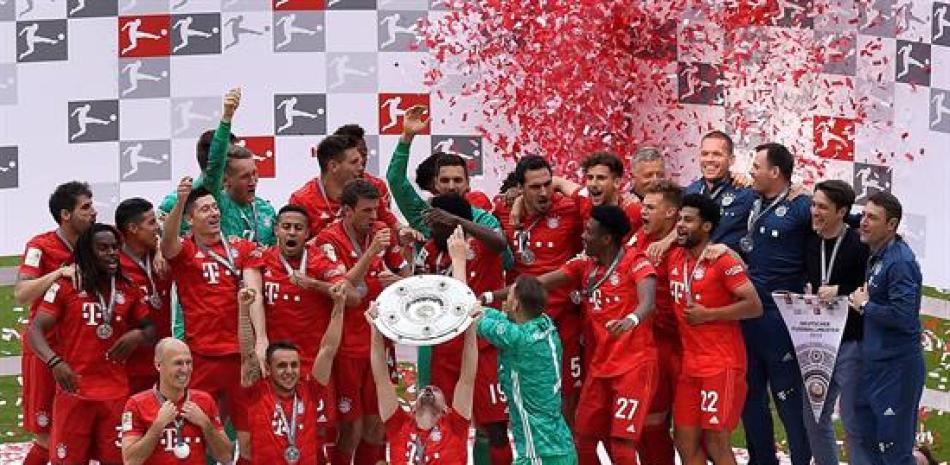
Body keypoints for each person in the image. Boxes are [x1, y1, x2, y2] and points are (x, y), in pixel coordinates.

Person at [496, 205, 657, 464]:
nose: (583, 237)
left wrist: (631, 319)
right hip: (599, 367)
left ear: (606, 239)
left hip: (633, 366)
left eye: (589, 232)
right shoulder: (585, 264)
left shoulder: (636, 261)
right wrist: (490, 296)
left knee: (622, 446)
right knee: (582, 439)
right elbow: (536, 284)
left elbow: (648, 301)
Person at [27, 223, 156, 465]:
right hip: (75, 392)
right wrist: (54, 361)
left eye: (115, 247)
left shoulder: (128, 288)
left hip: (115, 394)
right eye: (103, 248)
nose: (112, 253)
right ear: (87, 252)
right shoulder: (66, 286)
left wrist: (138, 335)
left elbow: (150, 329)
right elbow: (34, 330)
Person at [160, 178, 265, 448]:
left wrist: (261, 341)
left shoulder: (240, 247)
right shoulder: (185, 251)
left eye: (215, 207)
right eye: (205, 209)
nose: (214, 213)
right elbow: (167, 244)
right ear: (190, 220)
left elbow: (255, 293)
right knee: (195, 432)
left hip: (241, 356)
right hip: (201, 357)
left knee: (250, 434)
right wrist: (181, 201)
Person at [310, 179, 405, 465]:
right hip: (348, 348)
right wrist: (370, 254)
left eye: (376, 210)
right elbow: (345, 291)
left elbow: (402, 277)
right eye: (366, 211)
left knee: (378, 424)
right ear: (347, 212)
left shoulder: (380, 232)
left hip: (381, 342)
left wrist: (399, 273)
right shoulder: (327, 241)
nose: (374, 217)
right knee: (351, 428)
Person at [367, 227, 479, 464]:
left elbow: (467, 377)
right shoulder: (398, 424)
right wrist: (376, 329)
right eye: (431, 390)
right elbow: (380, 378)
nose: (428, 390)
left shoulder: (456, 426)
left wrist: (469, 327)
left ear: (447, 409)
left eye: (433, 392)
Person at [415, 193, 512, 464]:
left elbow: (501, 242)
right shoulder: (430, 251)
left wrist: (457, 221)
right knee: (441, 423)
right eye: (430, 221)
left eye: (437, 222)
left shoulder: (482, 242)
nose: (431, 227)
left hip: (485, 347)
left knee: (494, 428)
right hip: (445, 349)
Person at [667, 194, 763, 465]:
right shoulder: (675, 258)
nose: (681, 226)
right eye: (679, 220)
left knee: (716, 441)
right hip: (690, 366)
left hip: (722, 365)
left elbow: (754, 306)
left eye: (688, 220)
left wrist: (710, 315)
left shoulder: (722, 261)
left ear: (706, 226)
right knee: (684, 440)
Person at [490, 155, 586, 420]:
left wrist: (560, 182)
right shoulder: (502, 210)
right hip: (523, 320)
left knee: (568, 393)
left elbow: (594, 202)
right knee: (524, 391)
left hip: (564, 318)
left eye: (547, 184)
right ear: (519, 188)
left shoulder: (568, 208)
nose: (543, 192)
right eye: (534, 187)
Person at [14, 181, 96, 465]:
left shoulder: (95, 244)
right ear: (65, 214)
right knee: (46, 437)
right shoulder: (40, 246)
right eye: (85, 207)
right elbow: (22, 293)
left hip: (81, 352)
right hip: (44, 350)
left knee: (77, 433)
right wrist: (58, 273)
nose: (94, 212)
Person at [742, 143, 813, 465]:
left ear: (775, 172)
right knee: (750, 396)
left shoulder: (801, 205)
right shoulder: (753, 199)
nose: (751, 172)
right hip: (748, 314)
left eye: (756, 166)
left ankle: (801, 460)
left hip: (780, 317)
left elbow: (843, 218)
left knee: (788, 398)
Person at [849, 192, 924, 465]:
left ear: (891, 225)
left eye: (871, 218)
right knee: (867, 440)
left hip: (897, 369)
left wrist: (866, 306)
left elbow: (905, 316)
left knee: (894, 451)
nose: (863, 222)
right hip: (875, 365)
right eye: (863, 215)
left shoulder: (900, 262)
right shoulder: (878, 254)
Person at [238, 283, 347, 464]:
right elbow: (247, 354)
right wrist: (243, 311)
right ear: (268, 367)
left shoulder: (310, 391)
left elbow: (328, 349)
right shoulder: (257, 392)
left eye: (294, 365)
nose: (289, 371)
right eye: (281, 366)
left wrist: (339, 305)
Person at [385, 105, 509, 264]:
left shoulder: (483, 220)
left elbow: (507, 262)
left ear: (467, 184)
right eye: (445, 180)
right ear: (435, 184)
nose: (451, 186)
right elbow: (395, 179)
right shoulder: (423, 215)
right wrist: (406, 138)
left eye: (457, 180)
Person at [801, 180, 870, 465]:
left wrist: (839, 291)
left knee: (853, 420)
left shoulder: (858, 244)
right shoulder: (808, 234)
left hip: (850, 342)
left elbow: (870, 288)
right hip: (816, 340)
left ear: (841, 212)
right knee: (814, 416)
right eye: (813, 204)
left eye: (822, 207)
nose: (814, 212)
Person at [478, 275, 578, 465]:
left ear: (515, 305)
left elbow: (475, 320)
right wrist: (484, 309)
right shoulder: (546, 323)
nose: (505, 298)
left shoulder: (517, 339)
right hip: (562, 447)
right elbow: (502, 320)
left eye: (509, 295)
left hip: (539, 454)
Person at [158, 88, 277, 246]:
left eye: (255, 173)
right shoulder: (216, 203)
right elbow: (215, 166)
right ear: (225, 179)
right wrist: (227, 117)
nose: (253, 180)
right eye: (245, 176)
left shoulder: (266, 210)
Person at [629, 180, 685, 465]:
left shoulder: (688, 245)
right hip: (649, 346)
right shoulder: (638, 238)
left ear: (671, 212)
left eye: (651, 207)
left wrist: (673, 238)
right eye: (643, 206)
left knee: (694, 433)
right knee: (649, 424)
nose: (644, 212)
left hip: (684, 346)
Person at [120, 338, 233, 465]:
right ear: (158, 365)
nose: (185, 369)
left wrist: (206, 424)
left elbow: (226, 457)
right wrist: (157, 426)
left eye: (189, 363)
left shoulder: (204, 401)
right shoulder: (136, 404)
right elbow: (130, 461)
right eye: (178, 363)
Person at [289, 134, 403, 237]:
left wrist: (402, 232)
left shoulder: (370, 188)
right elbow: (297, 250)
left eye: (361, 161)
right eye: (354, 162)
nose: (361, 167)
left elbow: (395, 228)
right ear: (333, 166)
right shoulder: (302, 200)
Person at [116, 198, 174, 394]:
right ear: (132, 228)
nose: (157, 228)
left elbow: (179, 235)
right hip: (130, 365)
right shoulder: (113, 265)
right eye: (151, 223)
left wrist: (160, 249)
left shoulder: (164, 256)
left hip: (166, 361)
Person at [540, 151, 644, 237]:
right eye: (590, 178)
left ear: (616, 182)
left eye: (601, 178)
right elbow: (557, 182)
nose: (593, 183)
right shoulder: (585, 198)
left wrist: (661, 243)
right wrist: (523, 203)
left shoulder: (632, 209)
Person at [683, 131, 757, 252]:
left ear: (731, 160)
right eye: (705, 154)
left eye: (717, 154)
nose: (709, 159)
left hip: (729, 266)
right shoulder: (691, 191)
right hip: (695, 265)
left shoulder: (745, 192)